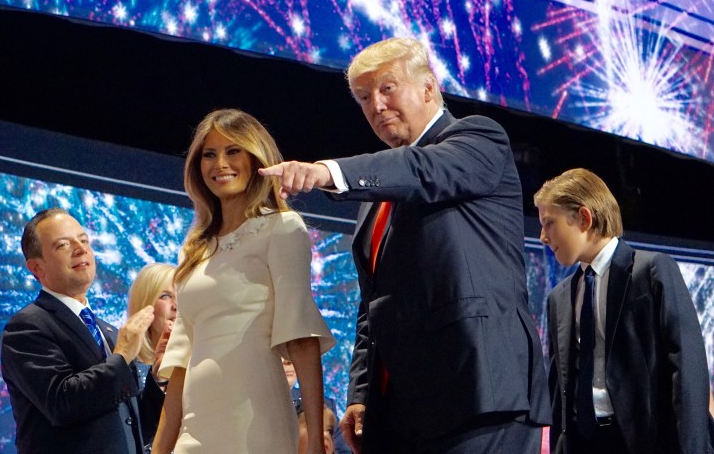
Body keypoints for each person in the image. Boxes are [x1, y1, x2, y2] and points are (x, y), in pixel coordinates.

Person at [259, 37, 551, 453]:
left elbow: (422, 169)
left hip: (478, 388)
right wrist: (361, 392)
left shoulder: (478, 139)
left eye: (387, 89)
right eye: (363, 97)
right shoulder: (377, 199)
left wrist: (327, 171)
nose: (375, 106)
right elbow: (372, 306)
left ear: (429, 87)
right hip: (399, 407)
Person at [150, 109, 336, 453]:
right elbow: (180, 361)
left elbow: (301, 339)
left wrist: (311, 442)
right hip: (197, 425)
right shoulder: (194, 249)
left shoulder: (281, 227)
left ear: (256, 158)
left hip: (256, 422)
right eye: (209, 154)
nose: (220, 163)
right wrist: (160, 449)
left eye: (233, 150)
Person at [534, 168, 712, 454]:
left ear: (583, 217)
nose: (543, 236)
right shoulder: (559, 297)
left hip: (643, 443)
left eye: (549, 223)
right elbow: (560, 390)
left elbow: (687, 367)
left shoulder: (651, 271)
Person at [0, 208, 156, 453]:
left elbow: (135, 423)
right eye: (63, 245)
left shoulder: (109, 332)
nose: (81, 249)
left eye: (84, 240)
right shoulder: (27, 326)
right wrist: (123, 355)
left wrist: (159, 375)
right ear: (37, 268)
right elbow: (62, 402)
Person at [126, 262, 178, 446]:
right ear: (145, 305)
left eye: (181, 294)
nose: (176, 305)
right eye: (166, 296)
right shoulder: (127, 369)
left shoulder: (201, 360)